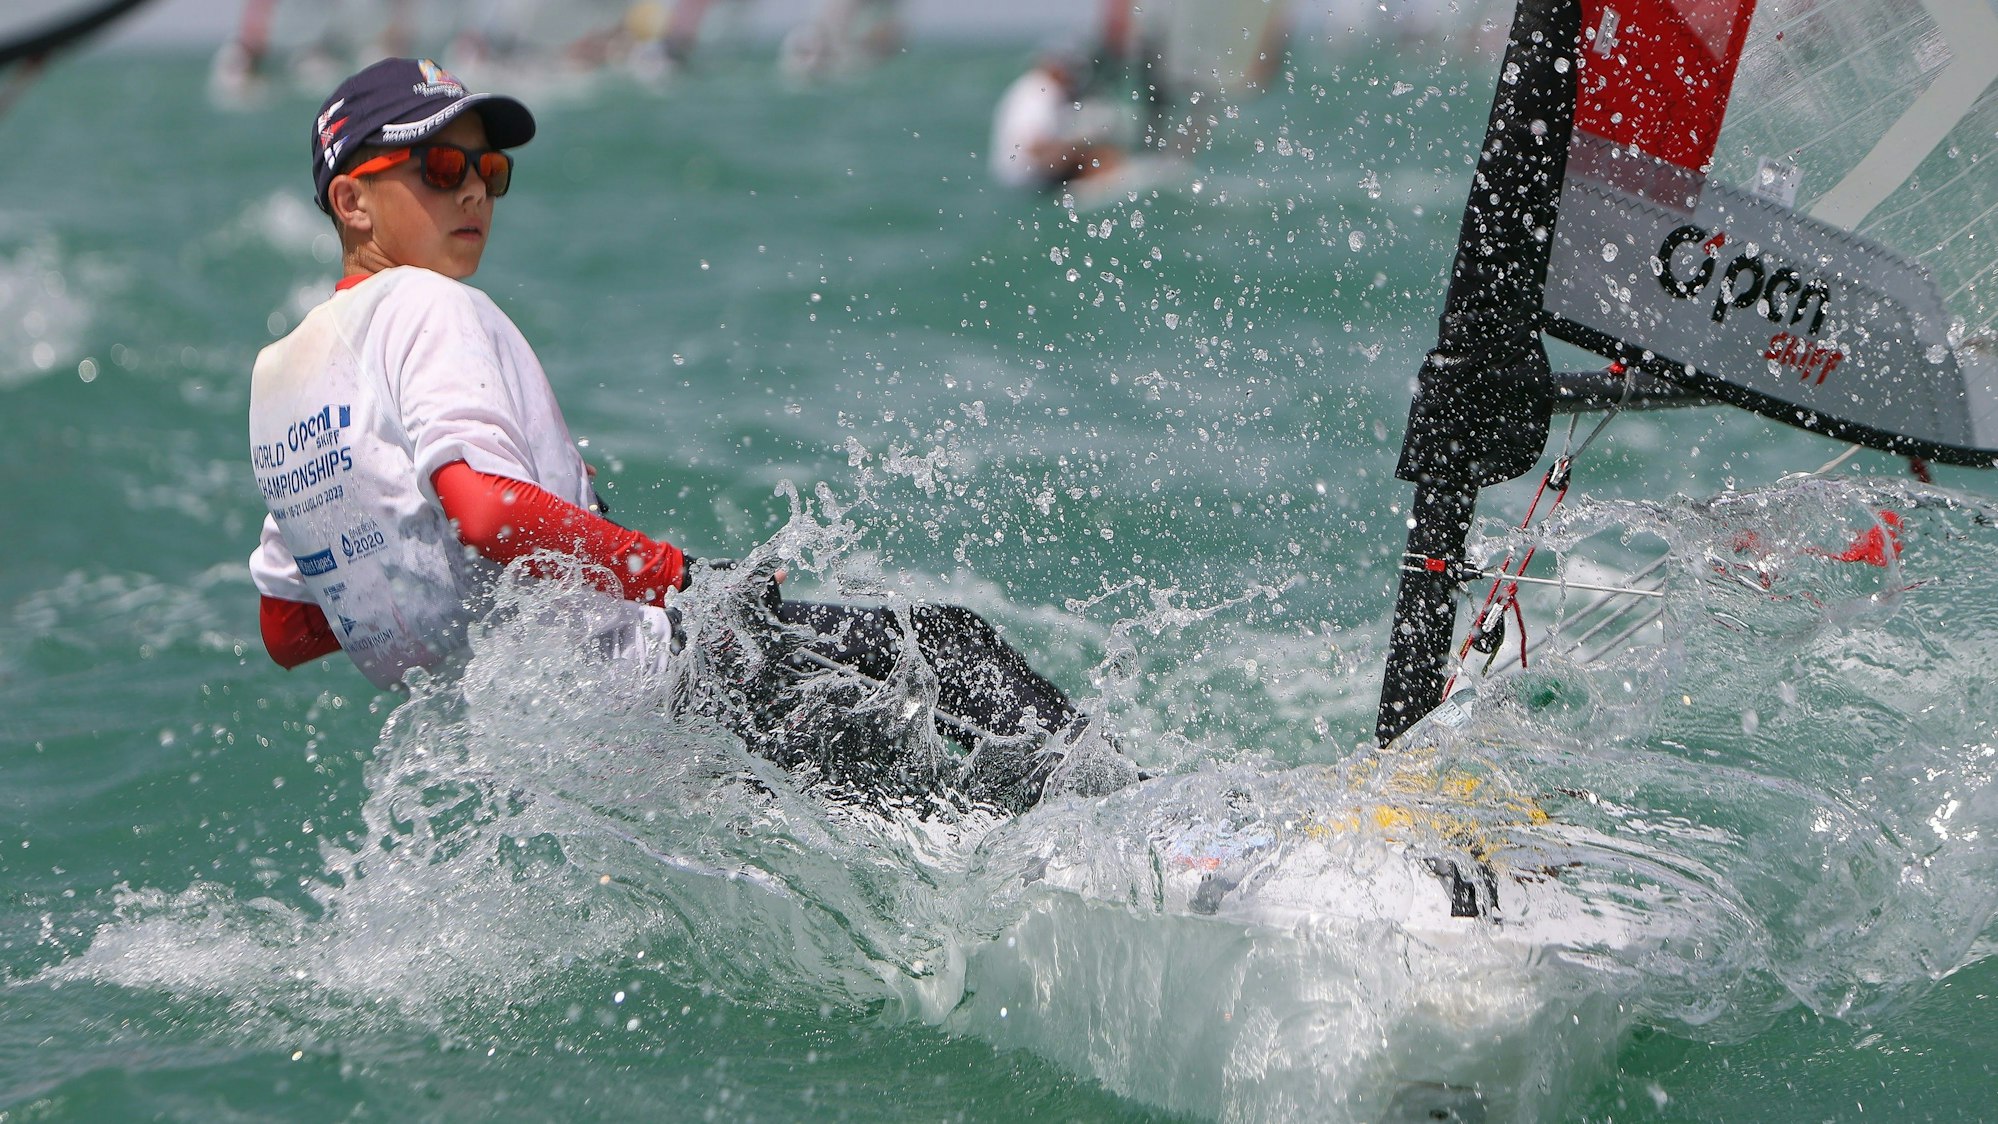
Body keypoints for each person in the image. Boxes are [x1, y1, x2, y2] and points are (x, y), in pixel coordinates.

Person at [248, 58, 1125, 813]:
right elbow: (484, 514)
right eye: (440, 165)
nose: (475, 186)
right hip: (663, 682)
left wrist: (447, 596)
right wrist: (690, 582)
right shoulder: (431, 305)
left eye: (489, 168)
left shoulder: (285, 380)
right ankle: (1166, 832)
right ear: (352, 202)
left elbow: (289, 627)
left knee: (895, 792)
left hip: (558, 746)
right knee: (944, 652)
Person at [988, 50, 1127, 190]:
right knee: (1102, 155)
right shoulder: (1042, 90)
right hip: (1026, 175)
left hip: (1009, 176)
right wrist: (1082, 143)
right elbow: (1035, 147)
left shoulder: (1028, 85)